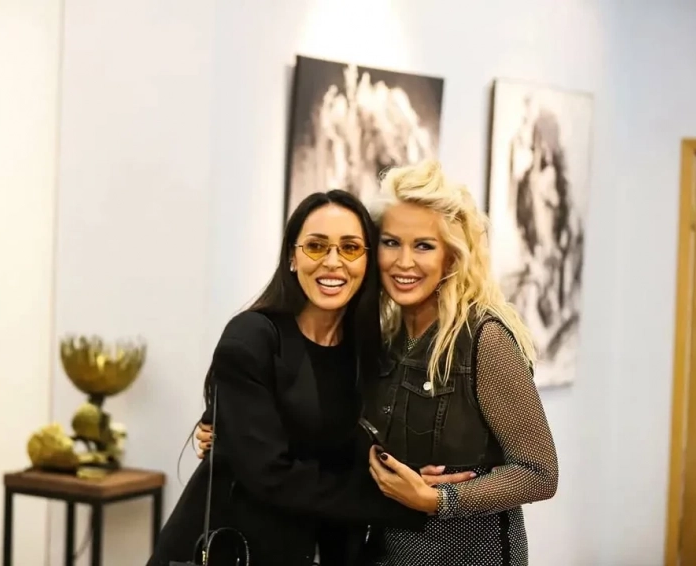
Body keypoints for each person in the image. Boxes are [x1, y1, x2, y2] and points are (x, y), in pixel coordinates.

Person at [198, 161, 559, 565]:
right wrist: (227, 420)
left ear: (451, 257)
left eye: (423, 246)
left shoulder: (483, 339)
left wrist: (440, 499)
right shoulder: (381, 338)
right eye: (391, 242)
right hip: (385, 552)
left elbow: (539, 472)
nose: (404, 262)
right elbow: (316, 413)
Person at [148, 190, 469, 566]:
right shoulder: (252, 338)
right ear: (292, 256)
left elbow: (360, 449)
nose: (333, 262)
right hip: (233, 549)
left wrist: (415, 479)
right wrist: (400, 501)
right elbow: (270, 475)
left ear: (367, 260)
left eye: (350, 248)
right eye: (316, 246)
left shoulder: (368, 351)